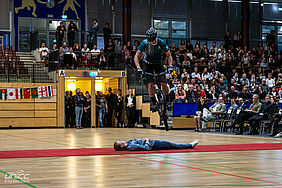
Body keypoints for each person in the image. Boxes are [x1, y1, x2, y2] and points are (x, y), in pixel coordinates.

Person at [134, 27, 173, 112]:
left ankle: (168, 100)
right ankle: (154, 103)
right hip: (147, 64)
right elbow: (136, 56)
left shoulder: (161, 42)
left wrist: (170, 66)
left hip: (158, 64)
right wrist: (138, 68)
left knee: (163, 82)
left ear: (155, 37)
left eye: (152, 39)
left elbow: (169, 55)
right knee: (150, 83)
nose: (150, 41)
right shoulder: (144, 43)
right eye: (149, 39)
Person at [114, 138, 198, 151]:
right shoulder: (131, 146)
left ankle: (189, 145)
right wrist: (146, 140)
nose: (121, 140)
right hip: (154, 145)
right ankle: (190, 145)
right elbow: (146, 148)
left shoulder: (128, 143)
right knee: (172, 145)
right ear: (121, 146)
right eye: (120, 142)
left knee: (171, 144)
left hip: (153, 142)